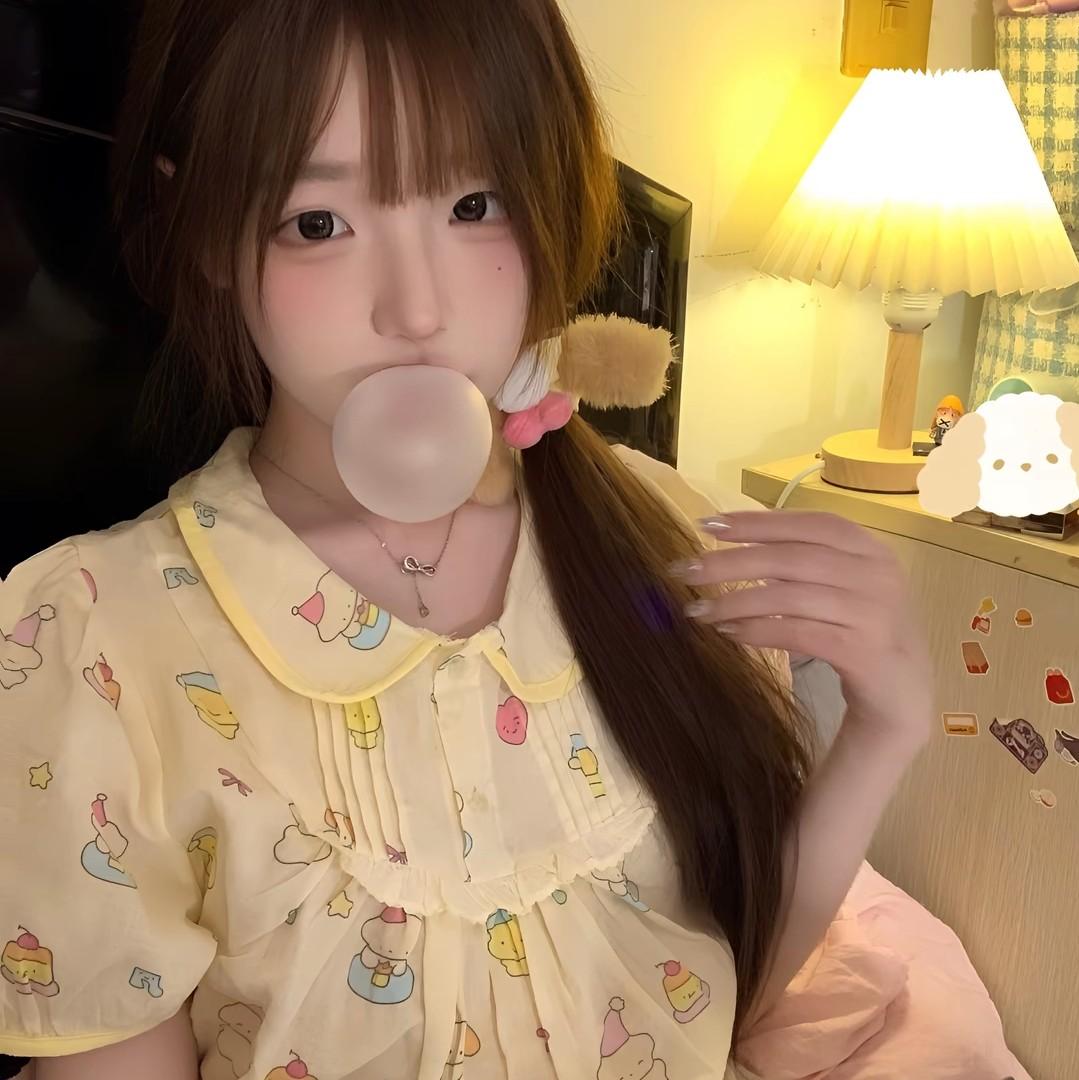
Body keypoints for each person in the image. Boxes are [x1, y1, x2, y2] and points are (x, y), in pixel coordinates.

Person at [0, 2, 933, 1078]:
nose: (417, 309)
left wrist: (885, 729)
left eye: (474, 205)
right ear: (207, 229)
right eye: (318, 222)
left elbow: (706, 994)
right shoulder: (98, 647)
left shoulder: (657, 531)